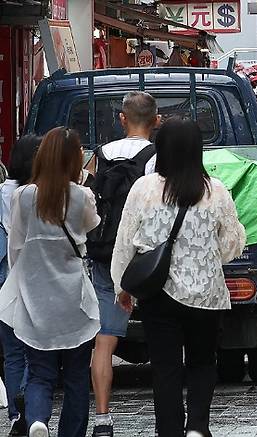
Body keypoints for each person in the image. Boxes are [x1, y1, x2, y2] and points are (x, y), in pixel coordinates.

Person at [111, 117, 246, 437]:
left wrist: (122, 287)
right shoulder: (216, 191)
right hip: (208, 294)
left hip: (160, 294)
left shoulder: (143, 189)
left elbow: (125, 240)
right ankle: (198, 426)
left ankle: (169, 430)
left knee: (165, 367)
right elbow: (230, 245)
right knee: (202, 361)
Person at [0, 127, 101, 437]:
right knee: (75, 377)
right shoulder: (81, 195)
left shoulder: (24, 195)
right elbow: (91, 227)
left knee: (40, 374)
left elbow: (15, 247)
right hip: (73, 299)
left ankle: (38, 420)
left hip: (35, 298)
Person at [87, 91, 159, 437]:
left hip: (105, 254)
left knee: (105, 340)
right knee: (165, 333)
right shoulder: (155, 157)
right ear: (156, 121)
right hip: (145, 256)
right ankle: (169, 409)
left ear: (122, 119)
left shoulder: (101, 155)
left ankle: (102, 417)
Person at [0, 135, 41, 436]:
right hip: (34, 275)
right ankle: (27, 396)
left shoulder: (3, 191)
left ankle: (17, 416)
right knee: (35, 348)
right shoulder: (40, 193)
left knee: (12, 351)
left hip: (4, 277)